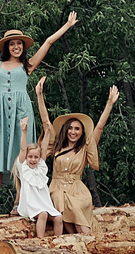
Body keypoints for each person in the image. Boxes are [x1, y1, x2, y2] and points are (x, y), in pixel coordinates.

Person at [0, 11, 80, 213]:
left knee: (24, 158)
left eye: (19, 44)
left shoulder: (27, 66)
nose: (16, 47)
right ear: (7, 47)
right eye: (12, 44)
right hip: (0, 116)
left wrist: (67, 25)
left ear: (23, 47)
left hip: (21, 115)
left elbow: (48, 42)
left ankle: (18, 204)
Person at [36, 79, 119, 234]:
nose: (73, 132)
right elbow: (46, 122)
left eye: (77, 129)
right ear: (66, 130)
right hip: (56, 187)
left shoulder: (85, 148)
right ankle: (69, 238)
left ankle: (86, 239)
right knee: (60, 197)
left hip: (77, 190)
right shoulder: (56, 146)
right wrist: (39, 95)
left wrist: (109, 103)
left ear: (82, 132)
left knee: (73, 205)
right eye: (70, 128)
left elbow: (99, 126)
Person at [12, 107, 60, 237]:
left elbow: (44, 148)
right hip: (30, 204)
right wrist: (24, 131)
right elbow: (23, 149)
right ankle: (40, 240)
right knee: (43, 214)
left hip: (43, 202)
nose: (33, 160)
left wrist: (48, 132)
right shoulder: (24, 167)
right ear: (26, 157)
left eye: (35, 157)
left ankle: (58, 241)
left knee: (58, 217)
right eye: (30, 157)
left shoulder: (40, 167)